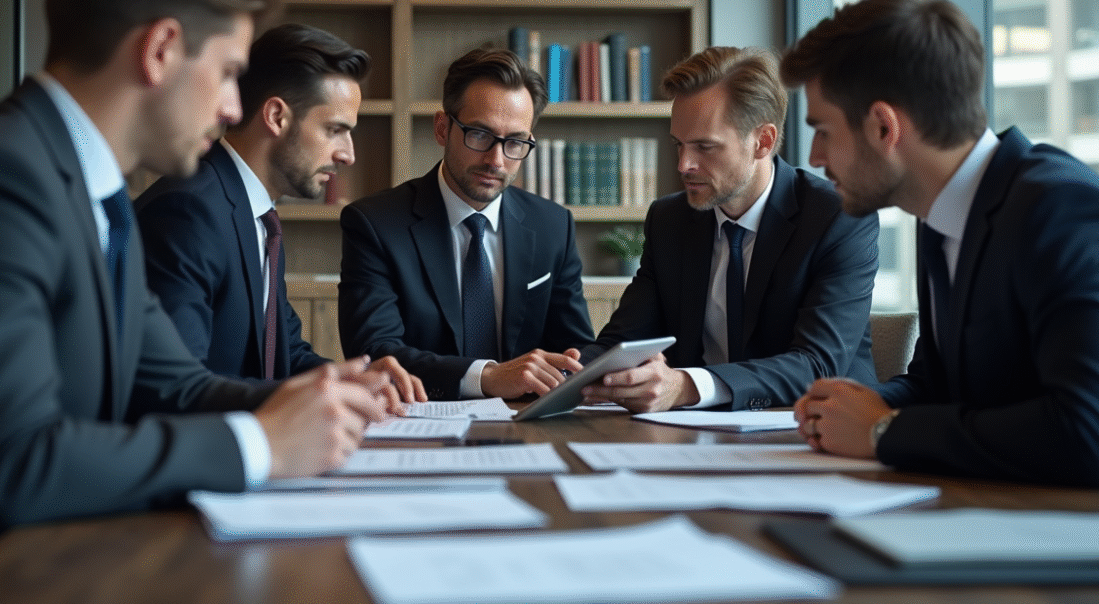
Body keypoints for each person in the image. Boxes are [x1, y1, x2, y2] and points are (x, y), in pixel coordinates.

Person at [0, 0, 387, 572]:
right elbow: (16, 462)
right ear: (160, 51)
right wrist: (259, 446)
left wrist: (328, 399)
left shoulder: (101, 193)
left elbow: (179, 385)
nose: (236, 108)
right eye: (230, 72)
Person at [783, 0, 1099, 487]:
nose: (816, 157)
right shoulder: (942, 218)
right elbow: (938, 387)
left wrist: (884, 431)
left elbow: (1087, 431)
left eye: (822, 130)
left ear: (884, 128)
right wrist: (856, 409)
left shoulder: (1057, 209)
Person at [135, 23, 425, 412]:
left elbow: (284, 354)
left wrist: (355, 380)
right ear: (276, 116)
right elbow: (178, 386)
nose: (348, 154)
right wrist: (320, 395)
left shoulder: (258, 216)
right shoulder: (189, 213)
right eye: (335, 130)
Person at [581, 46, 880, 413]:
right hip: (693, 436)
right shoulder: (670, 220)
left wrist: (688, 385)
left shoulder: (838, 217)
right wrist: (564, 372)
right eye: (679, 145)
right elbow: (624, 339)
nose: (684, 164)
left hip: (816, 432)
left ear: (763, 141)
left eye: (705, 147)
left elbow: (817, 365)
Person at [338, 47, 595, 400]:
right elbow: (375, 352)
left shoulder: (553, 225)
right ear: (442, 128)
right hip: (419, 423)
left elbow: (575, 347)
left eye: (515, 142)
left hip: (530, 423)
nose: (496, 160)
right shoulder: (375, 224)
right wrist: (486, 377)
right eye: (479, 134)